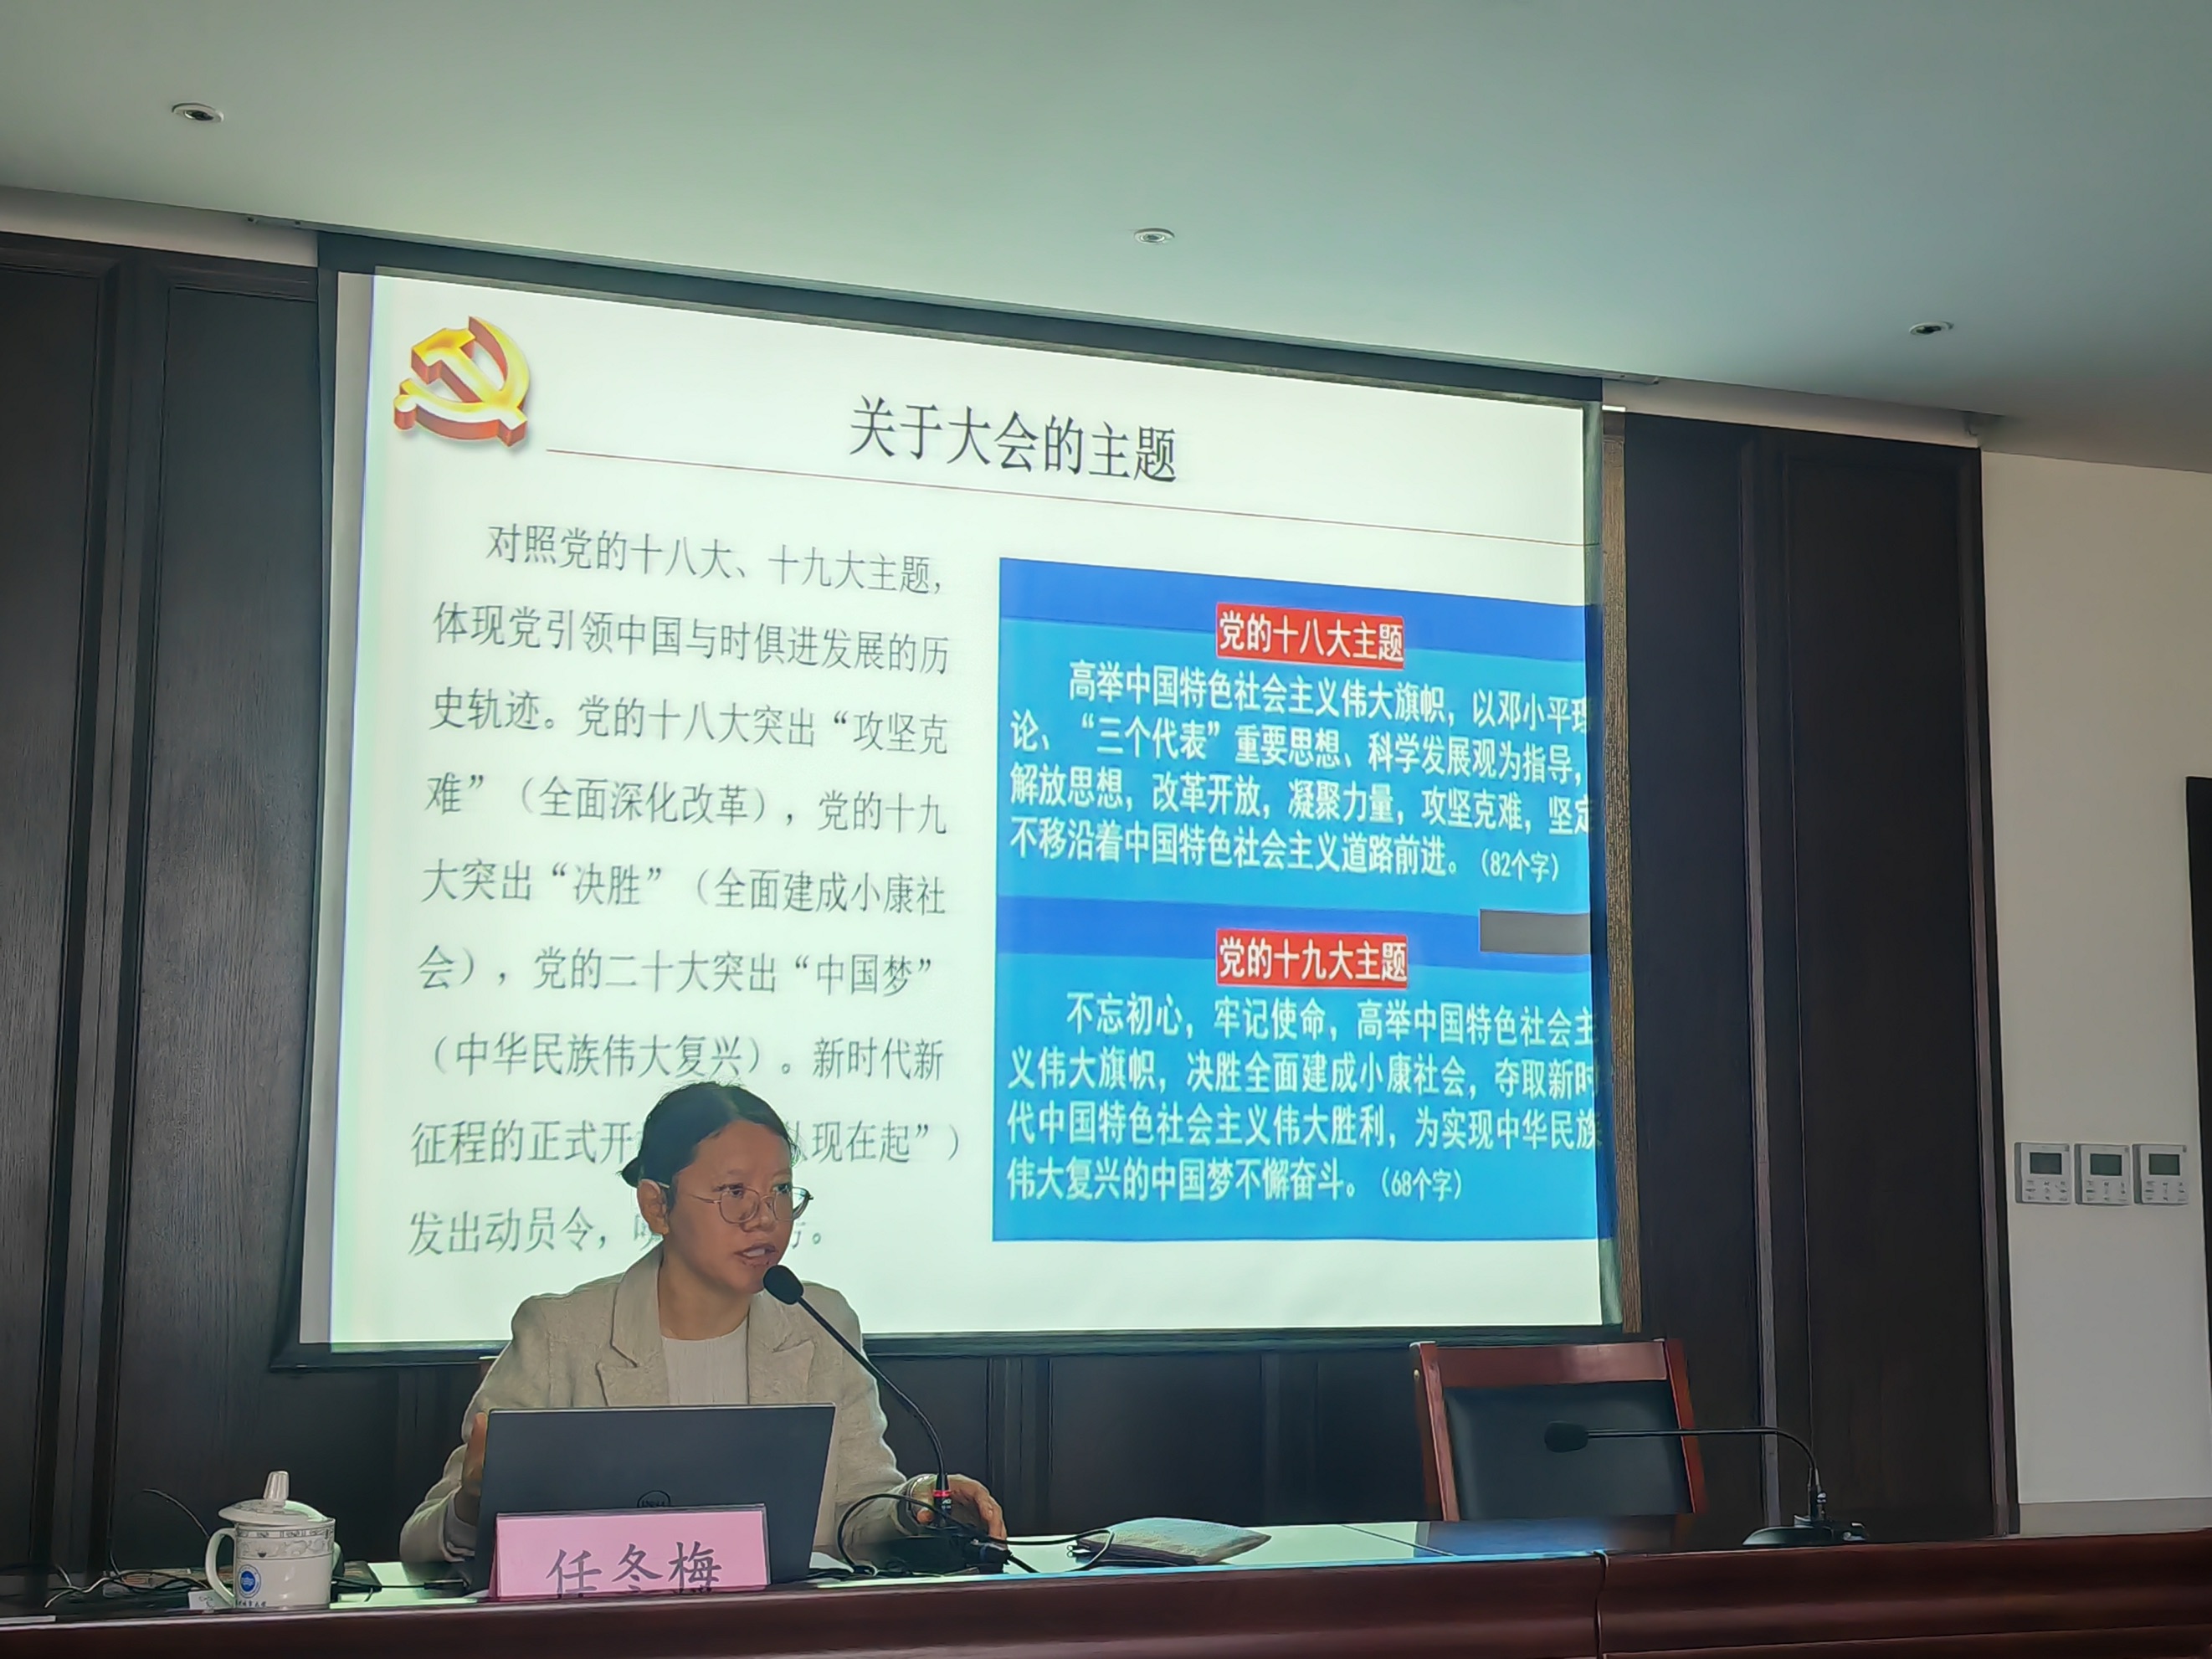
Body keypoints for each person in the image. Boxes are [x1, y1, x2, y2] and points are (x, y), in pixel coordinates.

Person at [400, 1082, 1004, 1564]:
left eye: (781, 1190)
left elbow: (856, 1511)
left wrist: (918, 1505)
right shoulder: (561, 1336)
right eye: (734, 1192)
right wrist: (474, 1502)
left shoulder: (818, 1324)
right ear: (655, 1205)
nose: (765, 1219)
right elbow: (421, 1541)